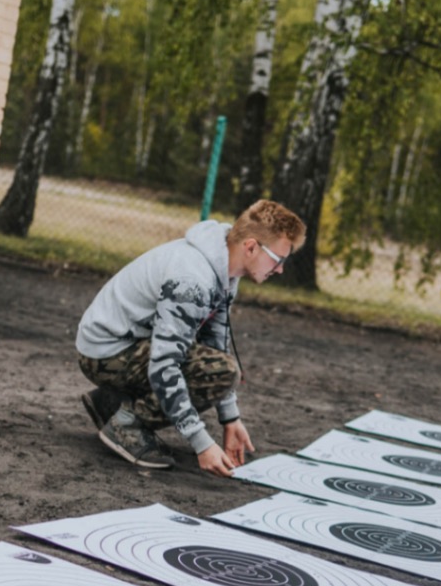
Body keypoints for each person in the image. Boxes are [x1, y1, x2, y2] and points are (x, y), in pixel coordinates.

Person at [75, 200, 306, 474]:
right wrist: (202, 443)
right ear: (251, 247)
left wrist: (230, 418)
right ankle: (127, 424)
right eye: (278, 259)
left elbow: (216, 343)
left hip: (125, 343)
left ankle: (111, 402)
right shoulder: (193, 279)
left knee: (216, 365)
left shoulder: (225, 272)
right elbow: (164, 365)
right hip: (105, 352)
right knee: (218, 371)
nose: (280, 269)